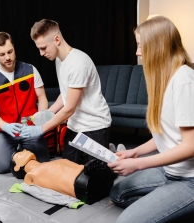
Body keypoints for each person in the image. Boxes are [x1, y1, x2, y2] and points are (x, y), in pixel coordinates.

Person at [108, 16, 194, 223]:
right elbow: (166, 134)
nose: (137, 52)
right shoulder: (163, 78)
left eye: (140, 45)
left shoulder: (183, 80)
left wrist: (139, 165)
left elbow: (190, 146)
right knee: (117, 193)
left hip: (189, 180)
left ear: (157, 46)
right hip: (168, 172)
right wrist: (134, 152)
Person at [21, 19, 111, 165]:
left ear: (56, 39)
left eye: (43, 48)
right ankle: (107, 152)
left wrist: (41, 129)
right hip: (75, 126)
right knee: (67, 172)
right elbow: (65, 95)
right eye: (39, 48)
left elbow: (69, 108)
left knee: (94, 178)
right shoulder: (59, 60)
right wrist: (46, 114)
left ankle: (110, 152)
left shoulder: (77, 63)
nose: (41, 53)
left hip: (95, 126)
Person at [0, 32, 50, 174]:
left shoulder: (31, 70)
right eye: (1, 54)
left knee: (42, 163)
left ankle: (23, 151)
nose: (7, 57)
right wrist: (5, 126)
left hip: (29, 127)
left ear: (14, 48)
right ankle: (18, 153)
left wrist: (40, 118)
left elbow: (42, 98)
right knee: (2, 167)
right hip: (7, 129)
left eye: (10, 52)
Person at [11, 149, 116, 204]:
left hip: (87, 173)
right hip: (83, 184)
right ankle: (110, 165)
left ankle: (111, 163)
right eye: (20, 154)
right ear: (17, 167)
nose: (24, 150)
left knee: (65, 163)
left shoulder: (46, 164)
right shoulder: (30, 177)